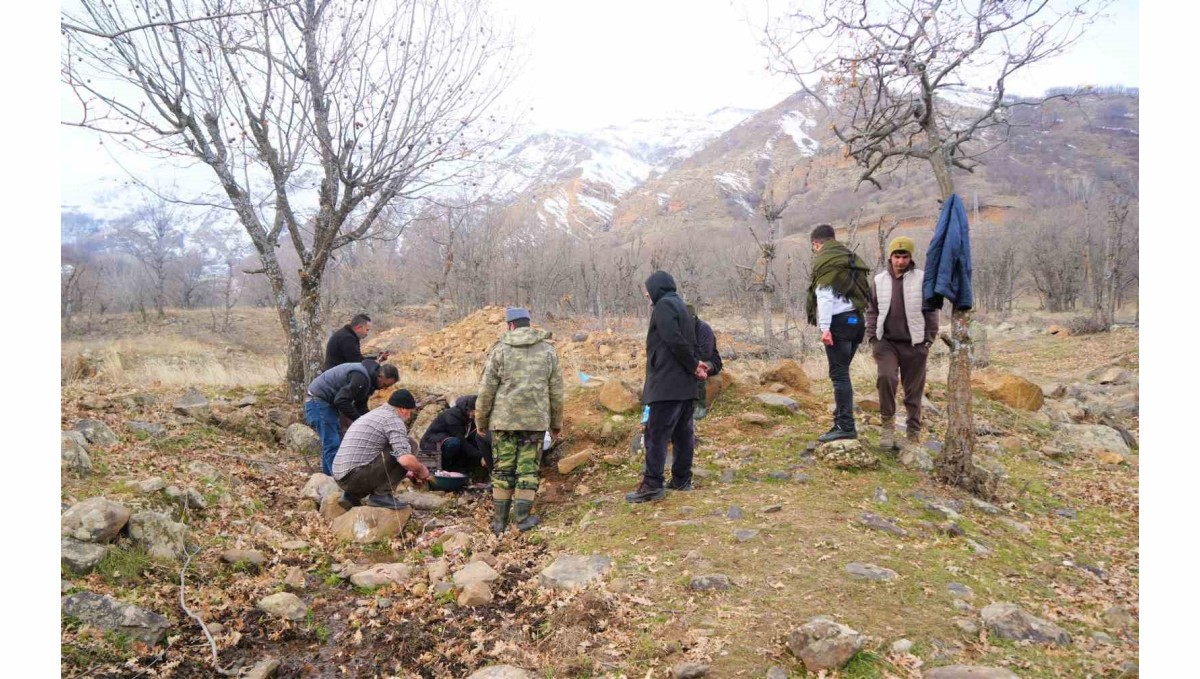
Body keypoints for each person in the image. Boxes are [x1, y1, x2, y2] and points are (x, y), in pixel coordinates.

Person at [476, 307, 564, 534]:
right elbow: (556, 390)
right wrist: (556, 423)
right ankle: (523, 519)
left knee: (503, 470)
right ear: (528, 324)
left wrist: (481, 420)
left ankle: (499, 522)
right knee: (527, 470)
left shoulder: (500, 350)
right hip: (534, 422)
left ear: (511, 325)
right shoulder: (547, 351)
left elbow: (486, 390)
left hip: (504, 422)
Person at [626, 271, 707, 503]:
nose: (646, 294)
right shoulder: (681, 306)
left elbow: (673, 340)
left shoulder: (663, 306)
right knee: (683, 433)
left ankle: (652, 484)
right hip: (684, 385)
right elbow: (686, 342)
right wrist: (695, 366)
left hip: (667, 384)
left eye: (648, 289)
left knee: (656, 434)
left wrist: (693, 365)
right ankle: (681, 479)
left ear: (657, 288)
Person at [866, 237, 940, 449]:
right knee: (886, 378)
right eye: (897, 256)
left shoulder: (922, 279)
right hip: (886, 342)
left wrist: (928, 340)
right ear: (890, 257)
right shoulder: (879, 280)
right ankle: (887, 427)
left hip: (914, 343)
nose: (900, 261)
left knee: (913, 390)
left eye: (904, 256)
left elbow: (931, 311)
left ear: (910, 257)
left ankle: (913, 431)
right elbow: (871, 309)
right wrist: (872, 337)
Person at [805, 224, 871, 442]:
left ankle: (845, 425)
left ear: (816, 243)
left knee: (839, 375)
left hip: (839, 324)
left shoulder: (826, 260)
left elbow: (824, 295)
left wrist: (825, 328)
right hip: (856, 321)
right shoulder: (849, 257)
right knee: (843, 373)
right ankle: (841, 419)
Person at [331, 389, 432, 511]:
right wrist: (421, 469)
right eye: (410, 412)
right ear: (403, 409)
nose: (409, 416)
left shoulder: (374, 414)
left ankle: (351, 496)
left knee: (388, 447)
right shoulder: (393, 420)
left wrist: (411, 469)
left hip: (340, 476)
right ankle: (382, 495)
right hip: (354, 478)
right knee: (410, 444)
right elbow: (405, 460)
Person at [305, 359, 400, 476]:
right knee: (332, 441)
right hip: (318, 401)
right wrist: (359, 420)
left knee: (334, 440)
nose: (383, 389)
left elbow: (360, 406)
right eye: (385, 385)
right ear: (380, 376)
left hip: (326, 402)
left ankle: (328, 477)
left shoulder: (369, 379)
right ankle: (338, 479)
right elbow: (341, 400)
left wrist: (372, 423)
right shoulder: (361, 378)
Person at [419, 395, 493, 480]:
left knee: (478, 436)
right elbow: (462, 442)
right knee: (454, 443)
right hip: (431, 444)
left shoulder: (470, 417)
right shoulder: (452, 417)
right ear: (471, 410)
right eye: (478, 411)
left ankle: (470, 471)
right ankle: (447, 469)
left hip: (455, 440)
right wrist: (481, 457)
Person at [686, 304, 723, 420]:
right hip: (691, 361)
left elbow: (705, 354)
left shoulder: (704, 329)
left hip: (710, 362)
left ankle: (700, 406)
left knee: (699, 370)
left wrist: (690, 363)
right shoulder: (682, 329)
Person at [325, 313, 390, 370]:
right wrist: (375, 361)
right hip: (335, 377)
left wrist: (377, 358)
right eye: (367, 330)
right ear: (358, 328)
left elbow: (358, 359)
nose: (367, 333)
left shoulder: (346, 334)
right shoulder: (348, 339)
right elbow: (357, 363)